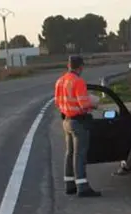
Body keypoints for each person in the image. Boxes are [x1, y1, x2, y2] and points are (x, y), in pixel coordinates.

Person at [54, 55, 102, 197]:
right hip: (79, 122)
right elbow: (84, 104)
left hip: (66, 121)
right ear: (80, 67)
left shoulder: (60, 81)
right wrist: (93, 104)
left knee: (69, 153)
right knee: (79, 154)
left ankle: (69, 184)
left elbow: (57, 102)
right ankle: (82, 186)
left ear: (68, 66)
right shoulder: (78, 81)